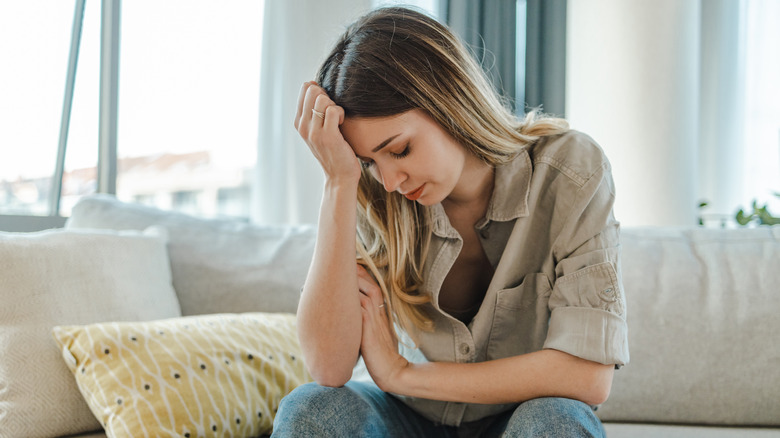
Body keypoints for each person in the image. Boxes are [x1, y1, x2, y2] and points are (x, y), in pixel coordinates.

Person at [272, 6, 628, 438]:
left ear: (448, 100)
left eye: (400, 150)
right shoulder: (370, 193)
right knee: (312, 409)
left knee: (553, 423)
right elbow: (327, 367)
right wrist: (339, 181)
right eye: (369, 162)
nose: (390, 181)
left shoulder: (570, 171)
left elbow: (588, 377)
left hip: (518, 418)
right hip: (410, 419)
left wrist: (402, 373)